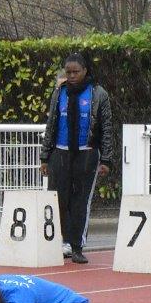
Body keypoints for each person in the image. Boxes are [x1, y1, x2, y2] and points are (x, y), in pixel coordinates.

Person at [39, 53, 113, 264]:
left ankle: (77, 246)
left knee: (80, 201)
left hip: (87, 152)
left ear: (85, 71)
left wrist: (106, 159)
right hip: (60, 152)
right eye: (68, 72)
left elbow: (106, 128)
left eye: (75, 72)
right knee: (59, 199)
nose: (71, 76)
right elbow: (51, 125)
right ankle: (63, 242)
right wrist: (45, 156)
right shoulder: (59, 92)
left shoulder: (98, 94)